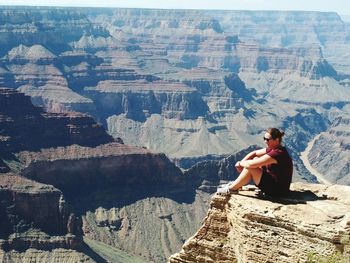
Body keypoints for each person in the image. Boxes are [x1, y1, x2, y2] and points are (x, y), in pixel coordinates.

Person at [217, 128, 293, 197]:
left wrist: (240, 163)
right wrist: (243, 161)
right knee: (255, 158)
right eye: (264, 138)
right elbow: (255, 153)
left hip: (278, 191)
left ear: (276, 140)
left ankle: (232, 189)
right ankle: (237, 184)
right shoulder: (274, 149)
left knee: (250, 168)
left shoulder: (277, 153)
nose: (265, 141)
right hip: (276, 184)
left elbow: (251, 165)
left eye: (267, 139)